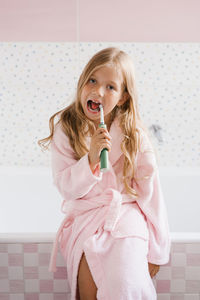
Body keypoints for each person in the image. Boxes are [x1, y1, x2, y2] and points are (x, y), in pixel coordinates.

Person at [38, 47, 171, 300]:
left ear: (122, 97)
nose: (98, 91)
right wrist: (90, 158)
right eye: (92, 80)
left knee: (125, 280)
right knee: (90, 273)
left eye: (111, 87)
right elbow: (67, 188)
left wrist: (158, 250)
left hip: (127, 214)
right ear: (82, 82)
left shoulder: (134, 134)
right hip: (87, 217)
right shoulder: (67, 129)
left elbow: (152, 194)